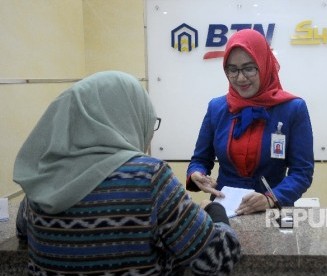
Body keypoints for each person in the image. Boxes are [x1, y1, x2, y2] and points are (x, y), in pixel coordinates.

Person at [13, 71, 240, 275]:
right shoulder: (148, 178)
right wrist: (214, 209)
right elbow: (217, 258)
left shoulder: (43, 176)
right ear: (127, 119)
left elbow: (23, 232)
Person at [186, 29, 314, 216]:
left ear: (263, 64)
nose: (240, 78)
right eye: (233, 69)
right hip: (224, 211)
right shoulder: (217, 108)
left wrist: (271, 197)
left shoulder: (292, 109)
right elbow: (200, 160)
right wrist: (197, 173)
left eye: (249, 68)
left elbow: (302, 173)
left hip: (271, 212)